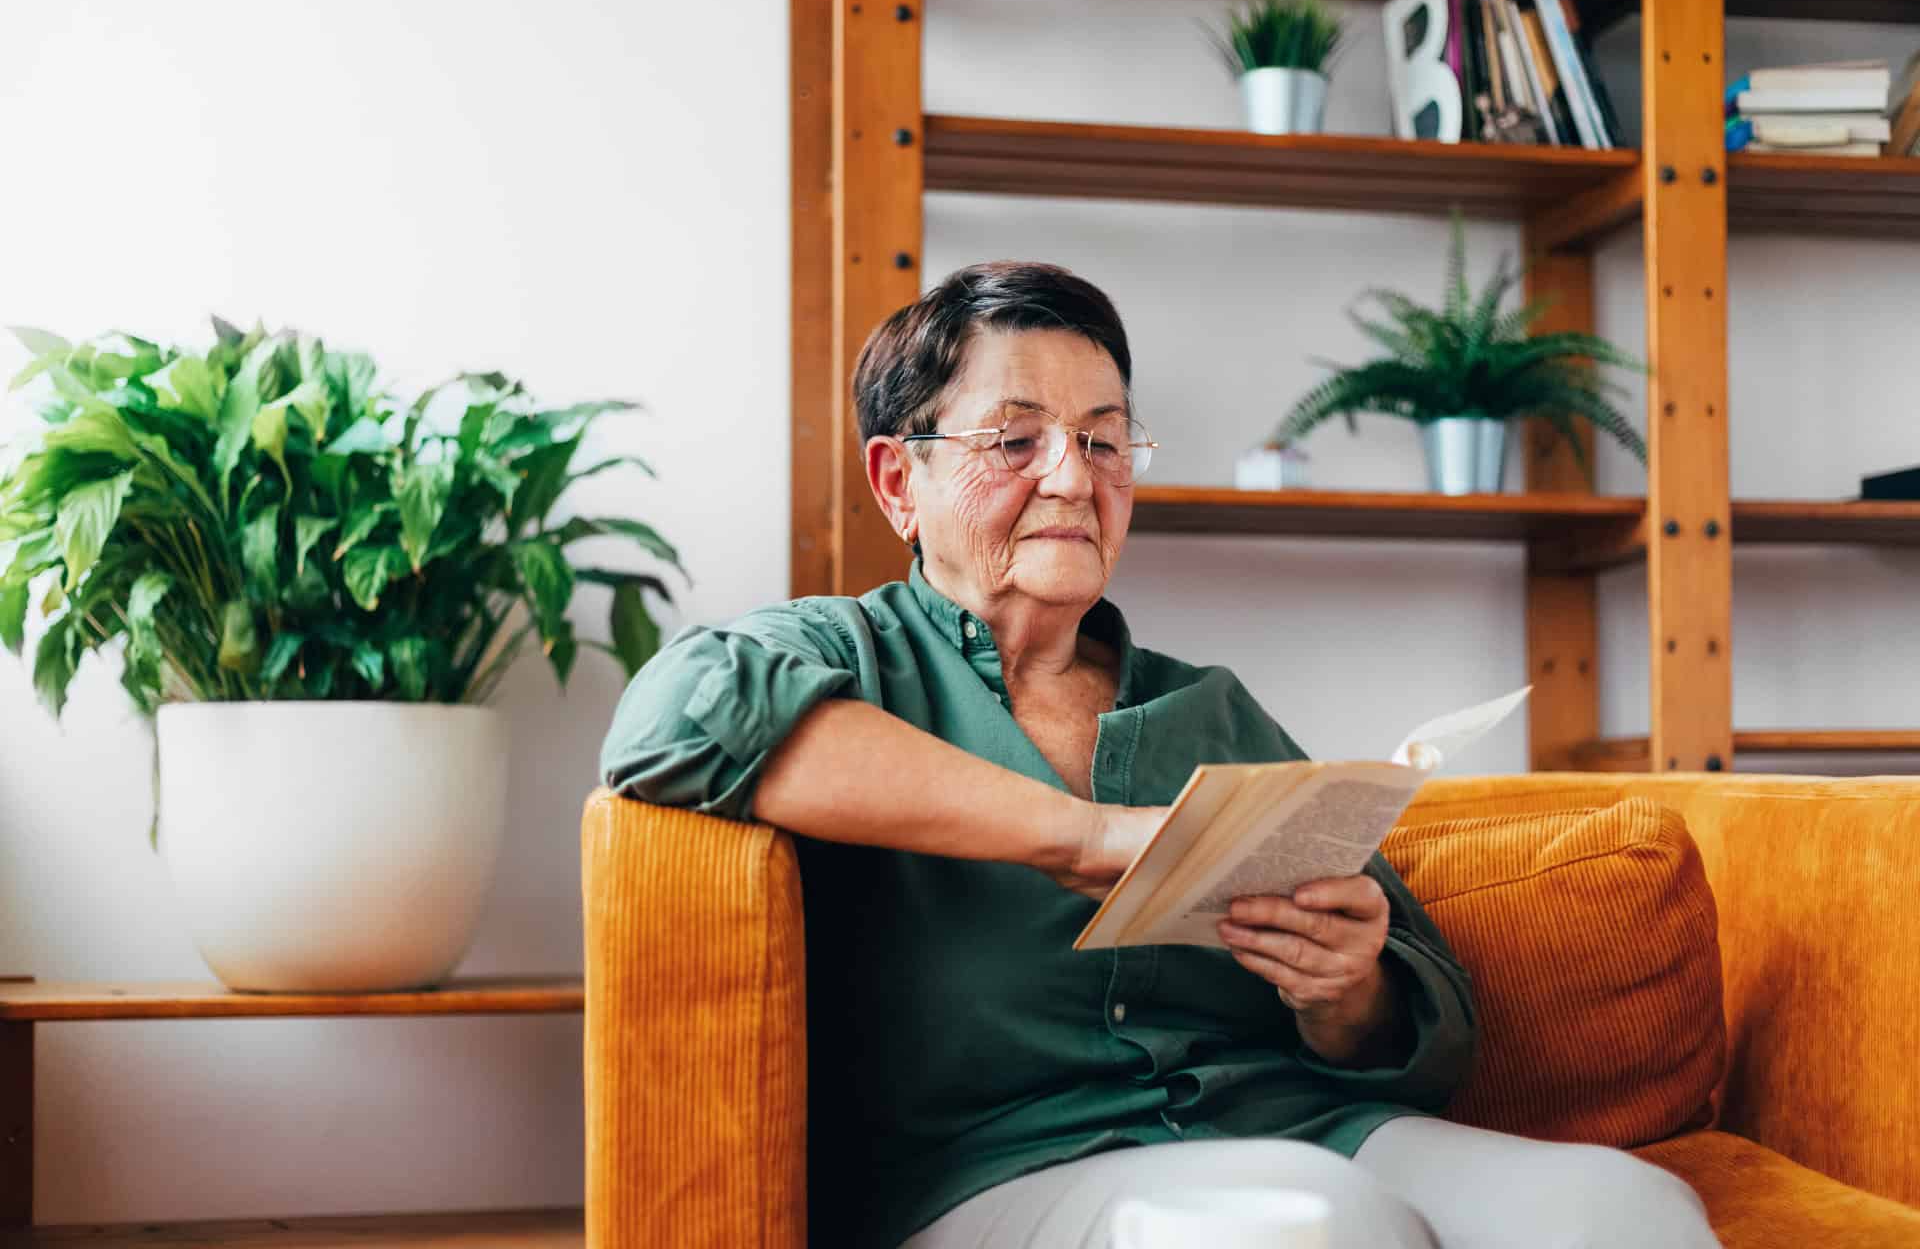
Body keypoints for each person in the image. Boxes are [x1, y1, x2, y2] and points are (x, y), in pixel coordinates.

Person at [599, 261, 1720, 1249]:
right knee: (1306, 1221)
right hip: (999, 1168)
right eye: (1015, 439)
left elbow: (1421, 1031)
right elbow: (675, 717)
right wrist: (1088, 835)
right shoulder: (846, 657)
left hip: (1305, 1121)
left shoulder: (1208, 707)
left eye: (1102, 438)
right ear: (900, 480)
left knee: (1628, 1210)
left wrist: (1350, 989)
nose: (1074, 478)